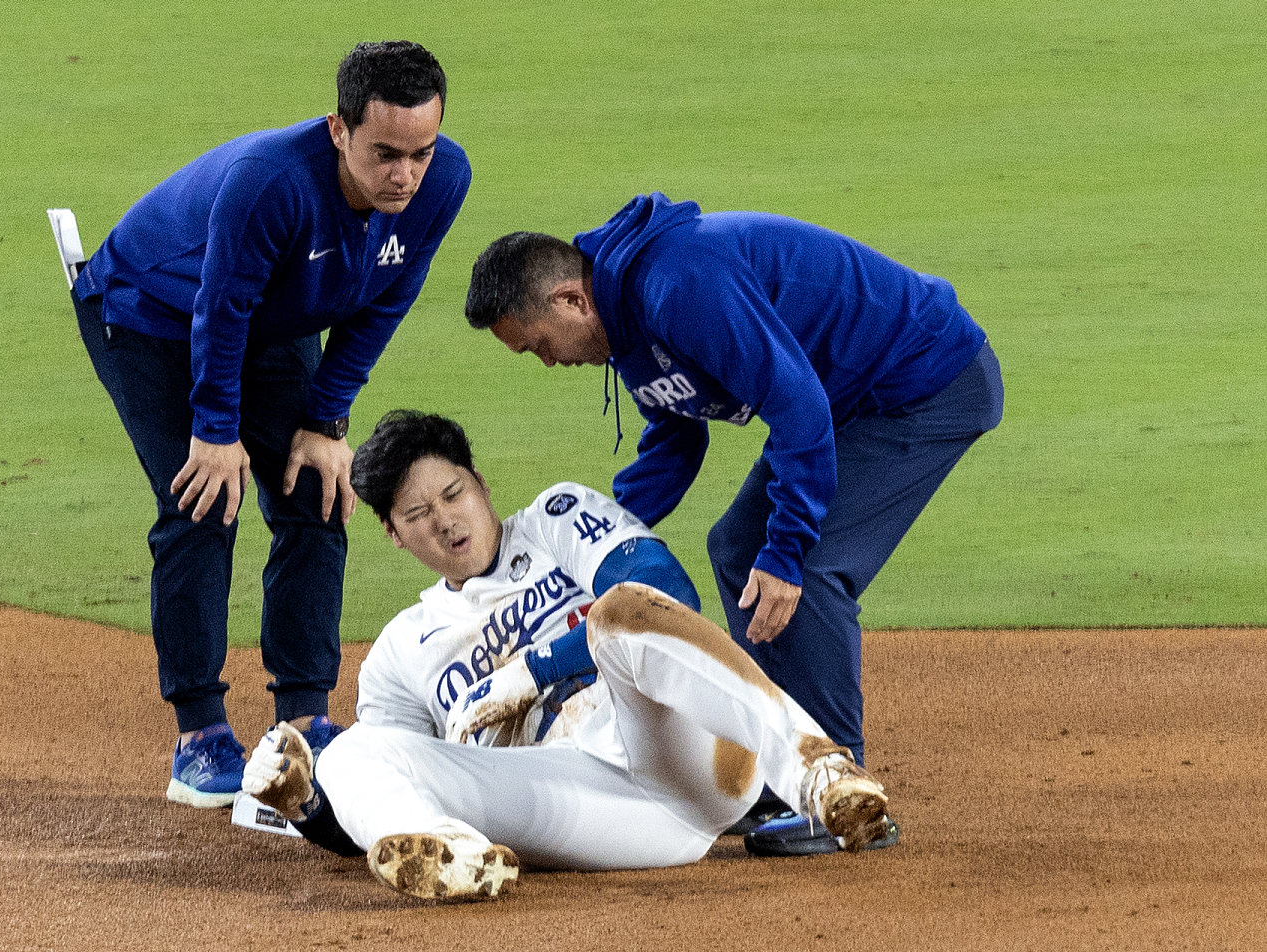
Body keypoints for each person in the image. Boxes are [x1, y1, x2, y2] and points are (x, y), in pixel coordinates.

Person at [462, 193, 1004, 850]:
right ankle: (780, 767)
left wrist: (785, 552)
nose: (548, 362)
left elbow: (798, 405)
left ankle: (838, 789)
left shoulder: (678, 285)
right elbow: (674, 438)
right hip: (843, 400)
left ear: (572, 301)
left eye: (539, 346)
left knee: (804, 563)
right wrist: (601, 543)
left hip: (922, 381)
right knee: (736, 544)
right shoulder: (627, 324)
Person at [240, 411, 894, 902]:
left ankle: (817, 770)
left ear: (481, 483)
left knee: (617, 611)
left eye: (452, 493)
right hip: (579, 806)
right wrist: (309, 806)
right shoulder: (397, 653)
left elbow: (666, 597)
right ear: (392, 531)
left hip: (685, 755)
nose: (444, 519)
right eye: (415, 512)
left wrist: (537, 667)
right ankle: (455, 855)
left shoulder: (557, 518)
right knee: (352, 752)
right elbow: (389, 783)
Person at [68, 42, 471, 808]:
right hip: (149, 312)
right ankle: (200, 738)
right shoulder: (273, 185)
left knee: (319, 492)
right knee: (202, 502)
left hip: (272, 319)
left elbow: (387, 297)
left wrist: (326, 418)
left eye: (419, 152)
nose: (404, 176)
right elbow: (219, 307)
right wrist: (215, 431)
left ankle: (306, 721)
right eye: (385, 153)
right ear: (338, 130)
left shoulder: (443, 181)